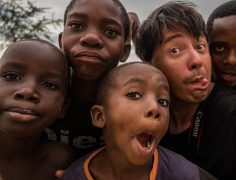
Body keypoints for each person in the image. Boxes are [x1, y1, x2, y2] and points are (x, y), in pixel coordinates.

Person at [135, 1, 236, 179]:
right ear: (149, 65)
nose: (197, 60)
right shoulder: (140, 116)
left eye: (200, 46)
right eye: (175, 50)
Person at [62, 62, 216, 180]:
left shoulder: (185, 175)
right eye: (134, 95)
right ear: (100, 116)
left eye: (163, 101)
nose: (154, 108)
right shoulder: (73, 175)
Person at [47, 0, 131, 158]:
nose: (91, 38)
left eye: (110, 32)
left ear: (125, 51)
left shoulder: (133, 106)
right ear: (61, 41)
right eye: (77, 26)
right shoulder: (37, 94)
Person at [0, 40, 74, 180]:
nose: (28, 91)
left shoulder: (59, 161)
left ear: (63, 107)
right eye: (11, 76)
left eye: (49, 85)